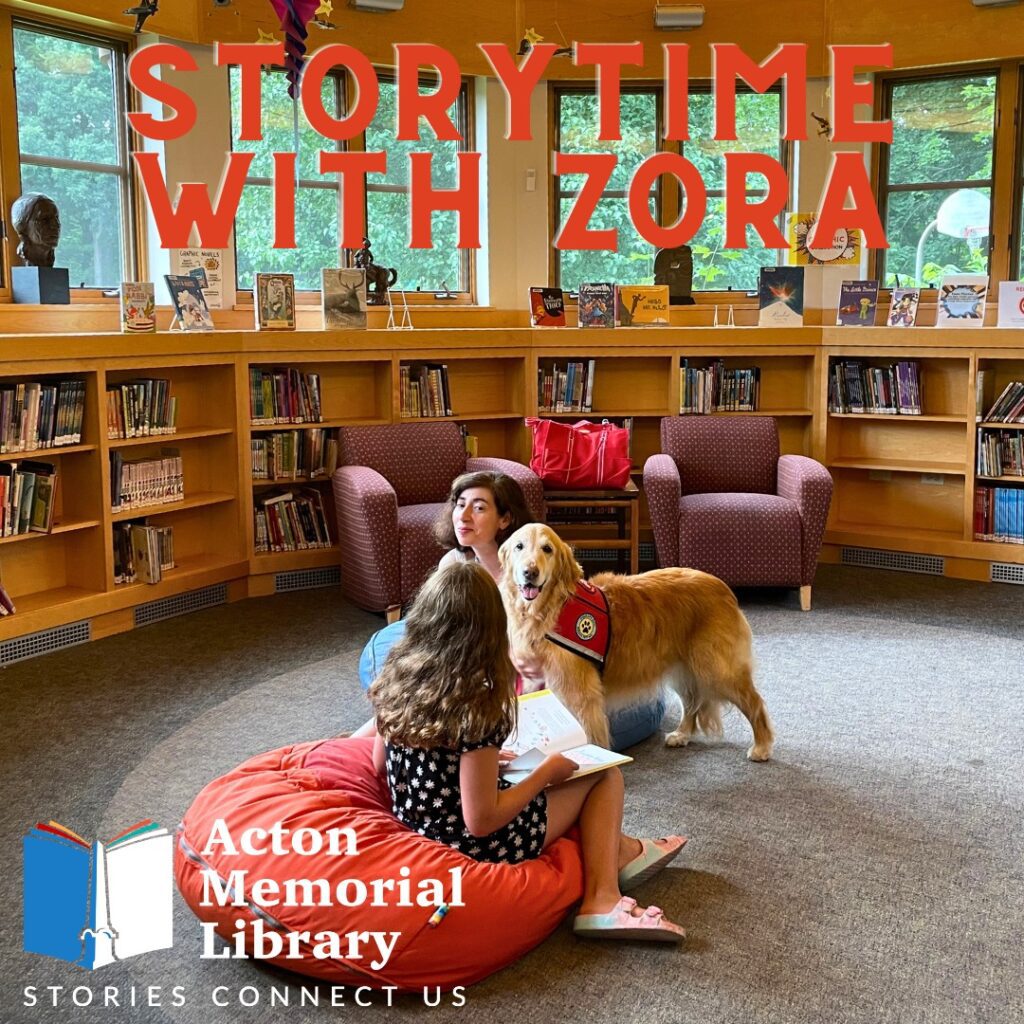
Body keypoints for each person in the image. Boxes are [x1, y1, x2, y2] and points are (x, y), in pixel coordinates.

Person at [369, 560, 686, 942]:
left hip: (416, 821)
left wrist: (470, 766)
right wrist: (545, 775)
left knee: (537, 765)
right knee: (603, 774)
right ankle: (602, 899)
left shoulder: (398, 674)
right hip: (476, 843)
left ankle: (621, 850)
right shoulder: (476, 702)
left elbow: (378, 763)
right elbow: (482, 821)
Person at [356, 470, 667, 751]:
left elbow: (567, 646)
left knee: (445, 683)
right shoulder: (454, 564)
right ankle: (360, 741)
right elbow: (437, 636)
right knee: (419, 664)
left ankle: (383, 738)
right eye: (459, 504)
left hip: (548, 678)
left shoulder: (535, 578)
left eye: (478, 508)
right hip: (488, 667)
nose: (463, 515)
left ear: (504, 519)